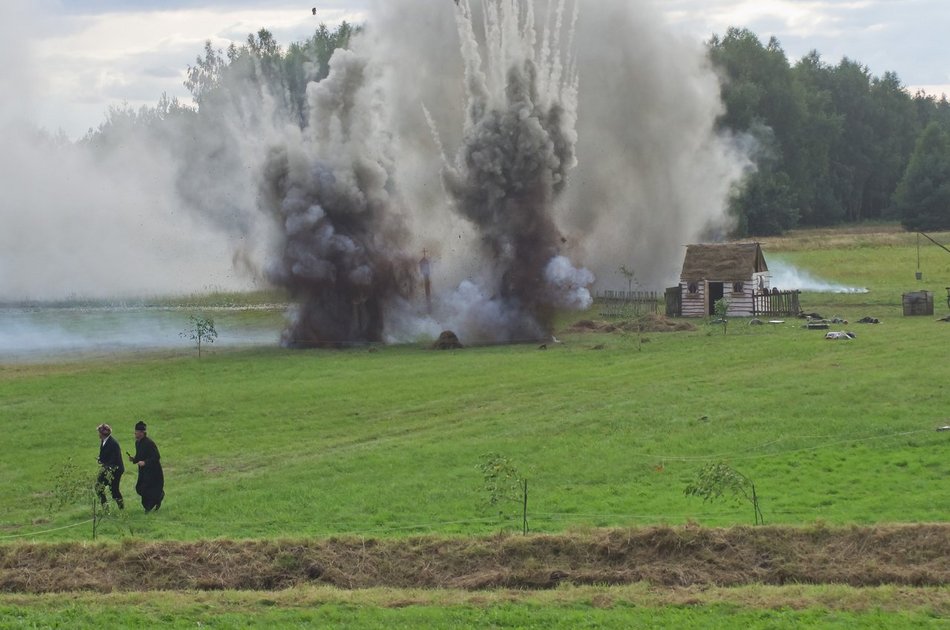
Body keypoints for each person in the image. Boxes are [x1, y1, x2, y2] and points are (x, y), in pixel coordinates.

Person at [129, 420, 164, 512]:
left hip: (153, 471)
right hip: (143, 471)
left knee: (148, 489)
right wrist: (134, 459)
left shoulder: (149, 443)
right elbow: (140, 455)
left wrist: (145, 462)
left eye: (136, 432)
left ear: (141, 433)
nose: (135, 434)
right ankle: (153, 502)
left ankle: (149, 507)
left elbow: (156, 457)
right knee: (140, 488)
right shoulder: (137, 443)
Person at [96, 423, 124, 509]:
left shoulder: (113, 443)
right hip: (107, 469)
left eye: (99, 432)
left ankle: (121, 507)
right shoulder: (104, 441)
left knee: (114, 490)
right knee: (99, 487)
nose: (98, 434)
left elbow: (114, 459)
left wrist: (106, 466)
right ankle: (105, 508)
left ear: (102, 433)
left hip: (115, 470)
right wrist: (101, 459)